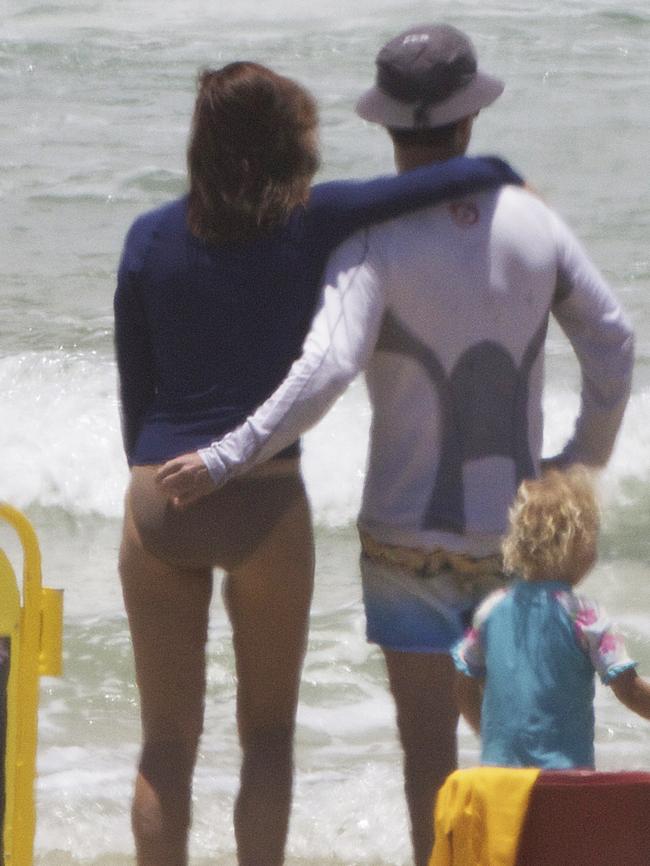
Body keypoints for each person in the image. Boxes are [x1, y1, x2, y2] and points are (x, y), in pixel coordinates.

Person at [157, 25, 634, 866]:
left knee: (429, 762)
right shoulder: (534, 223)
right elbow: (614, 340)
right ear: (470, 119)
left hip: (404, 541)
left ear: (386, 126)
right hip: (516, 542)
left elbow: (326, 370)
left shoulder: (370, 241)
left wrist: (229, 454)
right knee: (519, 753)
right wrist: (574, 465)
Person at [115, 60, 521, 866]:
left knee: (165, 746)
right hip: (264, 500)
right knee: (267, 735)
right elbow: (456, 180)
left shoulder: (148, 238)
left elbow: (137, 396)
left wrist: (155, 478)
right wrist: (502, 174)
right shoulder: (312, 220)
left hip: (157, 498)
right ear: (285, 144)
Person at [453, 467, 650, 768]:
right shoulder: (585, 616)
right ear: (577, 544)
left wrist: (491, 737)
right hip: (565, 783)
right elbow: (630, 691)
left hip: (499, 782)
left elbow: (463, 685)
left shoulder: (490, 611)